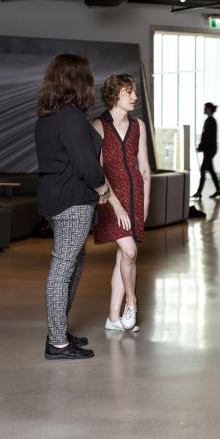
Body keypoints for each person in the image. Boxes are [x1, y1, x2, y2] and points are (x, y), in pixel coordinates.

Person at [35, 54, 109, 360]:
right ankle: (57, 342)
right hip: (72, 200)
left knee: (73, 264)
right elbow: (85, 165)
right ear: (79, 81)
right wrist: (103, 188)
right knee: (63, 268)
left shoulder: (47, 117)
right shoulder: (70, 118)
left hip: (54, 198)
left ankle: (59, 330)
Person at [92, 74, 151, 333]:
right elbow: (98, 171)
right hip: (110, 199)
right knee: (129, 252)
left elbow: (145, 169)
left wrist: (146, 204)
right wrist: (113, 203)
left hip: (135, 196)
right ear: (115, 95)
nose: (135, 97)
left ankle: (113, 318)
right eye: (130, 92)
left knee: (122, 258)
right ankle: (132, 301)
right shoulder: (98, 126)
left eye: (135, 92)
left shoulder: (139, 125)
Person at [192, 102, 220, 199]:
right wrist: (201, 147)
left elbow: (207, 137)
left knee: (202, 169)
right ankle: (219, 190)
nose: (204, 109)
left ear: (209, 109)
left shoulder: (210, 121)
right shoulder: (210, 120)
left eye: (205, 108)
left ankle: (198, 192)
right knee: (211, 170)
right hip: (210, 149)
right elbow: (207, 137)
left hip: (209, 150)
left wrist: (201, 147)